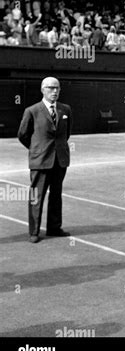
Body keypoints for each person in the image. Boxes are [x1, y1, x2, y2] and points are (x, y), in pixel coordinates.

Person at [17, 77, 73, 243]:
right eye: (50, 88)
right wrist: (36, 149)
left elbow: (67, 133)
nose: (54, 91)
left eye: (57, 88)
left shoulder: (66, 110)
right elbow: (22, 135)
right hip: (40, 160)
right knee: (37, 196)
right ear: (42, 90)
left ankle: (54, 227)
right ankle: (34, 231)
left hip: (60, 160)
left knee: (56, 195)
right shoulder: (32, 111)